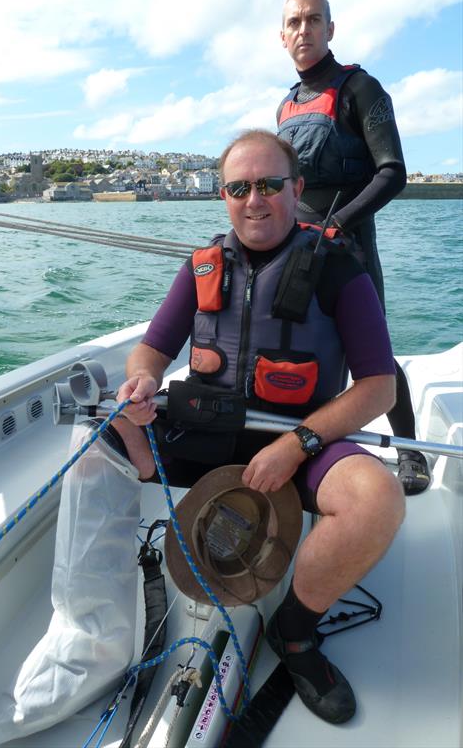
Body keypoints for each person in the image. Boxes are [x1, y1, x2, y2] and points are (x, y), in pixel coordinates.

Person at [111, 129, 405, 725]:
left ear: (296, 190)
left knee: (378, 499)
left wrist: (297, 446)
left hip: (301, 441)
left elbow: (380, 387)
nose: (255, 199)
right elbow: (150, 351)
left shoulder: (338, 270)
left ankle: (294, 630)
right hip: (206, 434)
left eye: (270, 184)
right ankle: (104, 616)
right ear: (223, 197)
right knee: (96, 438)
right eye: (239, 187)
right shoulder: (200, 269)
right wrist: (140, 385)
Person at [276, 0, 430, 495]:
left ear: (330, 28)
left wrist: (338, 224)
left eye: (313, 20)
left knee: (375, 353)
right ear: (282, 35)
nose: (304, 29)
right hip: (297, 250)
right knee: (305, 349)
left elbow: (393, 173)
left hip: (350, 247)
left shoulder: (361, 88)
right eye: (295, 22)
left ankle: (411, 451)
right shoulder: (285, 107)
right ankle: (308, 445)